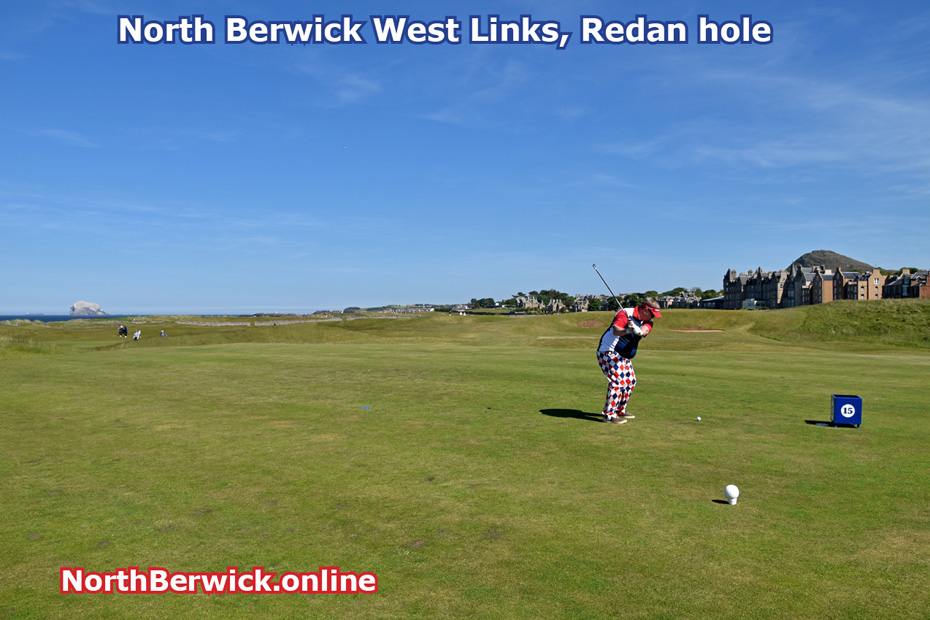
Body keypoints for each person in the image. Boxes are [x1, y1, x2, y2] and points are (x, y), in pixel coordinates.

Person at [596, 297, 662, 424]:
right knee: (618, 382)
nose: (653, 318)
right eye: (652, 314)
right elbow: (615, 331)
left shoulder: (648, 321)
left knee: (631, 382)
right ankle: (609, 414)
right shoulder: (625, 313)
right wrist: (627, 330)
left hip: (624, 356)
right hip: (608, 351)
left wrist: (636, 329)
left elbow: (645, 330)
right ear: (646, 311)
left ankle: (620, 409)